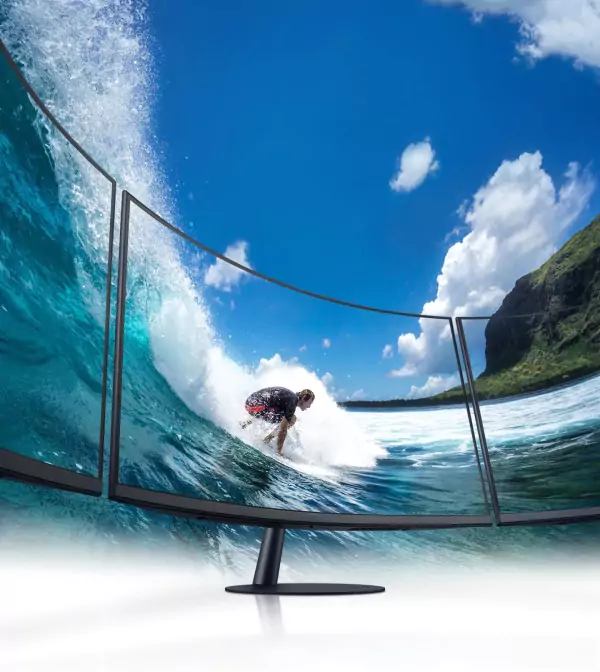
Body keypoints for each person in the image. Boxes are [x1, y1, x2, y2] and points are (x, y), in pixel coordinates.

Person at [241, 387, 315, 455]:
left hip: (251, 401)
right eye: (309, 403)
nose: (309, 406)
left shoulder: (290, 397)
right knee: (290, 420)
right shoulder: (292, 401)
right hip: (256, 406)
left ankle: (246, 425)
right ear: (304, 398)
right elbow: (283, 430)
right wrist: (278, 452)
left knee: (287, 416)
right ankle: (266, 440)